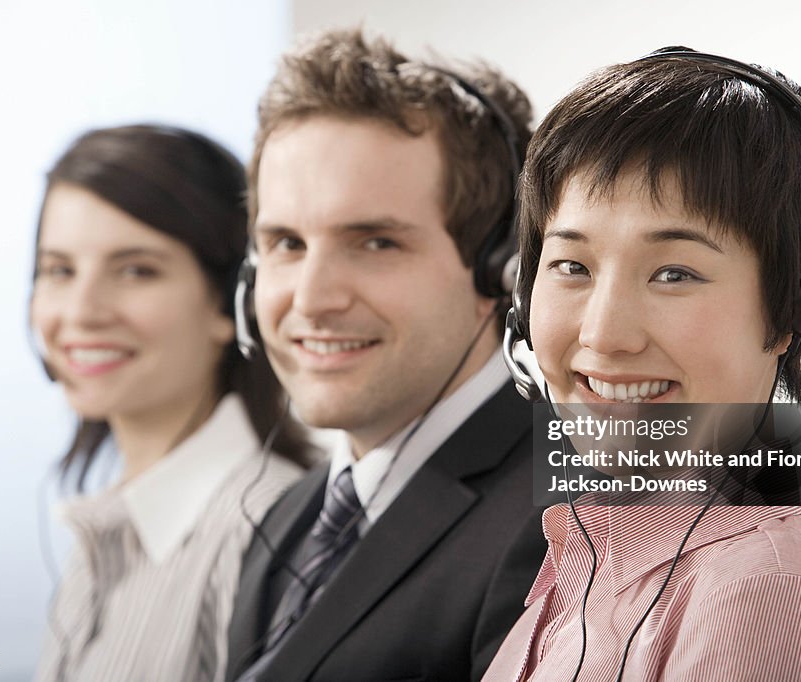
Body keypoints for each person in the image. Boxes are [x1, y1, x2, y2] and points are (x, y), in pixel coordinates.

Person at [485, 49, 801, 680]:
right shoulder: (580, 575)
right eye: (572, 266)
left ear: (795, 310)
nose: (604, 334)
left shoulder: (771, 605)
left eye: (674, 273)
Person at [225, 29, 546, 681]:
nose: (311, 300)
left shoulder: (562, 523)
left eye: (374, 243)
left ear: (501, 270)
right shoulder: (291, 515)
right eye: (287, 243)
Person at [30, 124, 311, 682]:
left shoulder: (265, 534)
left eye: (136, 270)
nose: (81, 312)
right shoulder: (107, 531)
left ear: (231, 301)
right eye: (59, 270)